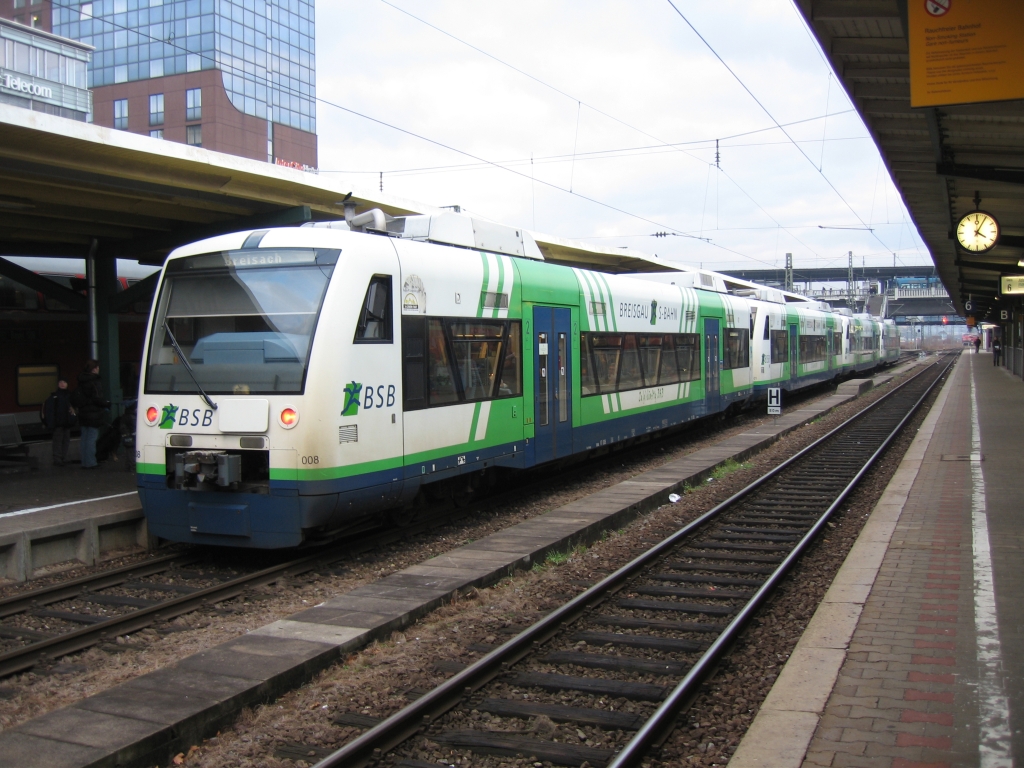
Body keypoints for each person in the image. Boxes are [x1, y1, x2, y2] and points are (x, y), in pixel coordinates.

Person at [73, 360, 110, 470]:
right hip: (93, 413)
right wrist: (106, 404)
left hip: (83, 413)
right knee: (91, 439)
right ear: (94, 369)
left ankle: (85, 462)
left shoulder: (81, 380)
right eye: (97, 367)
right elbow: (97, 398)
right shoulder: (94, 381)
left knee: (84, 438)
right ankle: (91, 462)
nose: (98, 369)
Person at [41, 379, 75, 466]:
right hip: (60, 423)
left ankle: (61, 458)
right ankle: (58, 459)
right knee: (60, 441)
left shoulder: (59, 396)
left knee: (63, 441)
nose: (62, 384)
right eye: (60, 382)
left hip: (65, 422)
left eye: (64, 382)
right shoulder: (62, 396)